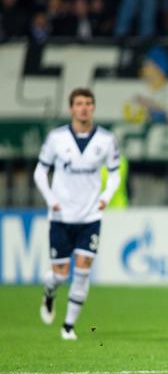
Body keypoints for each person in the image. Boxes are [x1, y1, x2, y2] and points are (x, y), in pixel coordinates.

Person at [34, 87, 121, 340]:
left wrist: (105, 198)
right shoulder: (56, 138)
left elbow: (114, 173)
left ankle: (68, 326)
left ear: (93, 107)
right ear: (71, 108)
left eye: (88, 103)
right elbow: (40, 172)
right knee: (59, 275)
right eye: (79, 103)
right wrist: (51, 200)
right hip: (61, 217)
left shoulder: (105, 140)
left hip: (90, 216)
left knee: (83, 271)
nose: (83, 107)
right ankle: (49, 293)